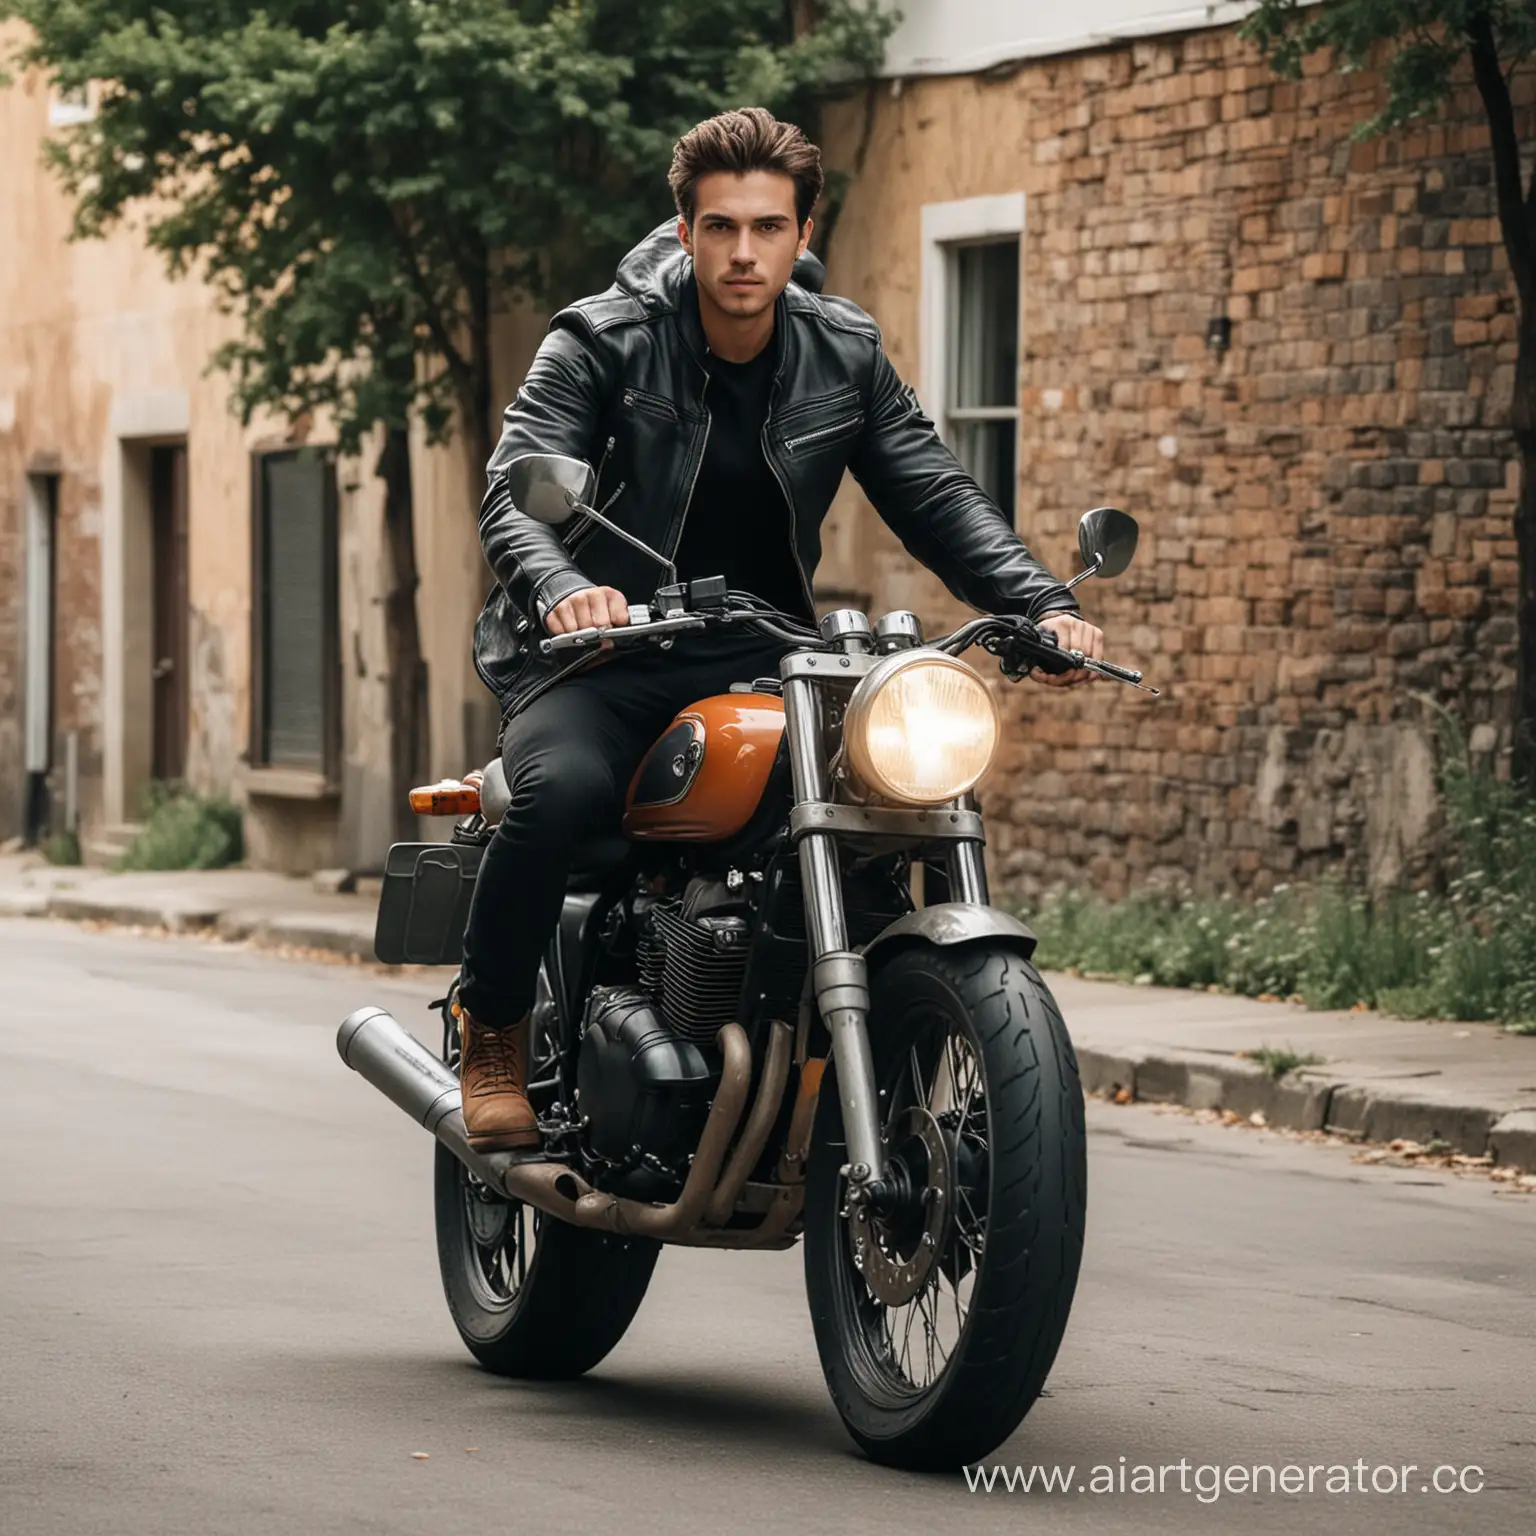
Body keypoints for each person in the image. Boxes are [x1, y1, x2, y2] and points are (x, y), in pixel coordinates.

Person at [455, 107, 1104, 1151]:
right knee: (561, 792)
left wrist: (1041, 601)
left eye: (767, 227)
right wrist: (565, 587)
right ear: (685, 230)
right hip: (598, 656)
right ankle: (491, 1023)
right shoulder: (601, 339)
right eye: (720, 227)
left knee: (884, 803)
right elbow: (511, 495)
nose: (743, 252)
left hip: (766, 653)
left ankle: (846, 1035)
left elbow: (934, 492)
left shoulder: (841, 351)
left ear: (804, 234)